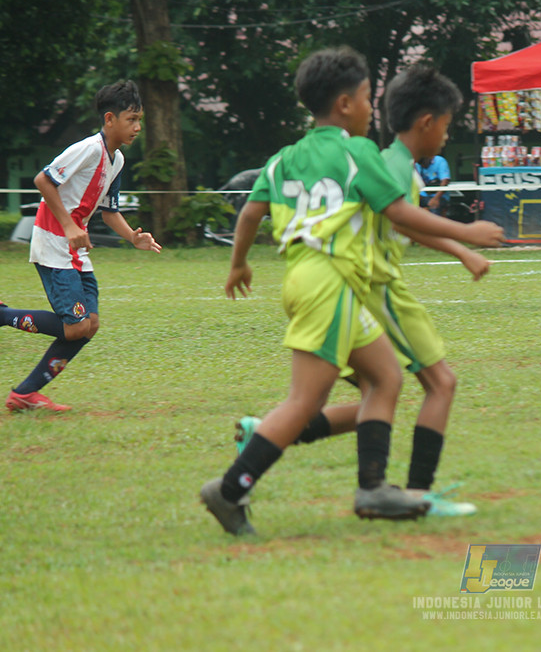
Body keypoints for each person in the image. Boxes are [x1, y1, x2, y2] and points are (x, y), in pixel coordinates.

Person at [199, 47, 503, 536]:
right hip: (330, 280)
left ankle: (374, 489)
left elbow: (251, 214)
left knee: (385, 378)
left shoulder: (283, 159)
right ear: (344, 104)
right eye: (366, 98)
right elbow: (398, 213)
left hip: (309, 280)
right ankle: (229, 490)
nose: (370, 108)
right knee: (304, 400)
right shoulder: (357, 152)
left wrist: (239, 264)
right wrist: (469, 235)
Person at [1, 80, 161, 412]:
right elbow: (43, 180)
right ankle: (3, 316)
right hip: (53, 241)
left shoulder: (116, 161)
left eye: (139, 119)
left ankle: (26, 394)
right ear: (109, 119)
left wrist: (133, 237)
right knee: (76, 327)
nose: (137, 127)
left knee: (89, 326)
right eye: (131, 119)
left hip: (75, 249)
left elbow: (110, 211)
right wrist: (71, 225)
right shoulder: (88, 148)